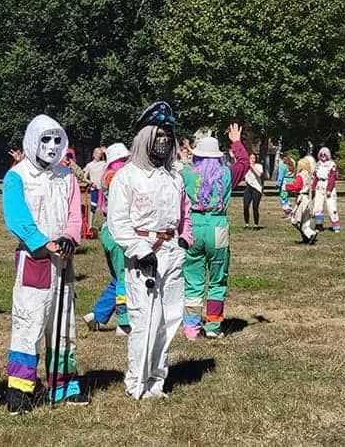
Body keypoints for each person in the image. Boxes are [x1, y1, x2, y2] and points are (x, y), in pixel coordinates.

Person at [107, 101, 193, 400]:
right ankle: (137, 383)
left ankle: (157, 380)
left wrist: (184, 240)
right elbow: (117, 220)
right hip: (144, 254)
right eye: (158, 135)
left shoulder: (175, 178)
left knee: (170, 318)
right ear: (145, 138)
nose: (164, 141)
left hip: (171, 251)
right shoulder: (127, 177)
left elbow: (185, 213)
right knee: (145, 320)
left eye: (168, 135)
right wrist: (139, 249)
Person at [1, 114, 87, 414]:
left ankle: (64, 384)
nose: (51, 146)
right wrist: (43, 242)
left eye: (56, 140)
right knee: (29, 322)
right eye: (45, 139)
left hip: (63, 260)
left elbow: (75, 215)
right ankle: (20, 389)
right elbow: (16, 216)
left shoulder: (67, 176)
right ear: (33, 140)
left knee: (64, 324)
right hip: (35, 259)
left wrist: (68, 237)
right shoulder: (17, 176)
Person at [182, 128, 249, 340]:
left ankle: (192, 327)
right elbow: (244, 164)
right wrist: (236, 142)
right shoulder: (227, 173)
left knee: (192, 278)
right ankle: (213, 325)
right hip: (218, 226)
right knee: (218, 279)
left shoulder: (185, 175)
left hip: (193, 226)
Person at [83, 142, 131, 334]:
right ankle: (124, 322)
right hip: (120, 231)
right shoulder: (120, 177)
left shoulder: (106, 176)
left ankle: (97, 315)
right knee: (125, 279)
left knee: (116, 277)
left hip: (107, 230)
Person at [284, 156, 318, 244]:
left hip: (302, 198)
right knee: (305, 221)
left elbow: (297, 187)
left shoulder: (300, 175)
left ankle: (310, 234)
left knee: (294, 220)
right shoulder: (310, 175)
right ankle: (307, 238)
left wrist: (287, 187)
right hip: (309, 199)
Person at [312, 147, 340, 232]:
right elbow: (315, 177)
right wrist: (313, 187)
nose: (323, 156)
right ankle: (318, 225)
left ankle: (336, 226)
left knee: (331, 207)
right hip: (319, 186)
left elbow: (332, 178)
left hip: (328, 185)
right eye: (321, 154)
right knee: (317, 207)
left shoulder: (332, 164)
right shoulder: (318, 164)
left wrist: (329, 189)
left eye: (325, 154)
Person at [82, 147, 106, 230]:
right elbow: (84, 177)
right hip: (94, 189)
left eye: (100, 154)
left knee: (105, 208)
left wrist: (105, 152)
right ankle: (90, 226)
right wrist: (91, 183)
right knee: (93, 208)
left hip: (103, 189)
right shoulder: (89, 165)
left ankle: (105, 226)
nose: (98, 155)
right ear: (93, 154)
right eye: (97, 153)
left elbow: (111, 162)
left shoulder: (104, 163)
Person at [242, 153, 264, 229]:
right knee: (245, 206)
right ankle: (246, 224)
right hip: (248, 188)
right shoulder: (246, 167)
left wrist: (252, 166)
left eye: (253, 158)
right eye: (251, 158)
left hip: (257, 188)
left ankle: (256, 224)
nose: (252, 159)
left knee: (255, 207)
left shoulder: (259, 166)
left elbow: (259, 175)